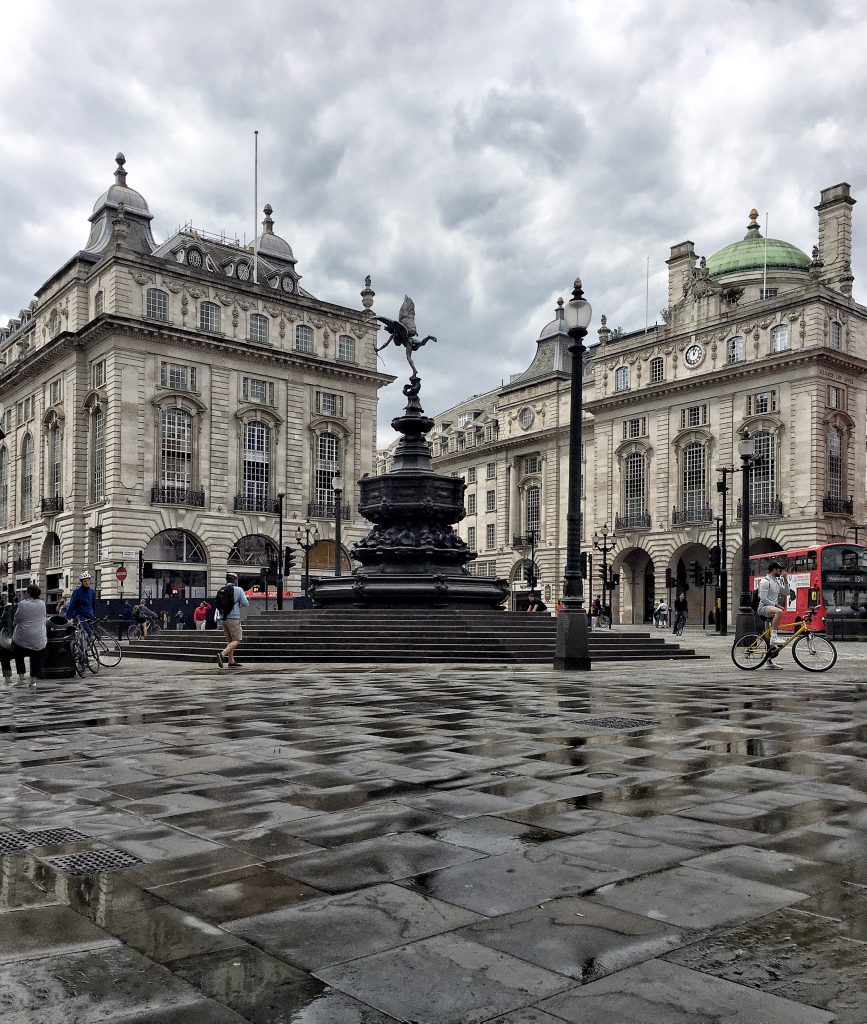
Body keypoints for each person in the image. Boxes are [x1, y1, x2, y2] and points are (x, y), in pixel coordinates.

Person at [0, 584, 48, 686]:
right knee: (36, 655)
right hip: (39, 640)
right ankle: (33, 681)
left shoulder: (22, 604)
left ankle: (21, 678)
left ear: (29, 593)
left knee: (17, 652)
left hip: (23, 639)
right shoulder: (42, 604)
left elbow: (17, 619)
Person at [758, 560, 787, 668]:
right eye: (780, 570)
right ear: (774, 570)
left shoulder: (776, 582)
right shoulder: (765, 582)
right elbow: (763, 599)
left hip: (772, 608)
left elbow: (787, 593)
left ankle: (768, 662)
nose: (782, 571)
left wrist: (785, 580)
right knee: (779, 612)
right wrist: (776, 605)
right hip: (763, 608)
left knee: (768, 638)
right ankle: (774, 636)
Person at [217, 572, 249, 669]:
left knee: (230, 640)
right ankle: (222, 655)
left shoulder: (222, 589)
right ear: (235, 580)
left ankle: (231, 661)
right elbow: (245, 603)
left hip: (223, 618)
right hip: (233, 617)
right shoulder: (239, 590)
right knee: (237, 639)